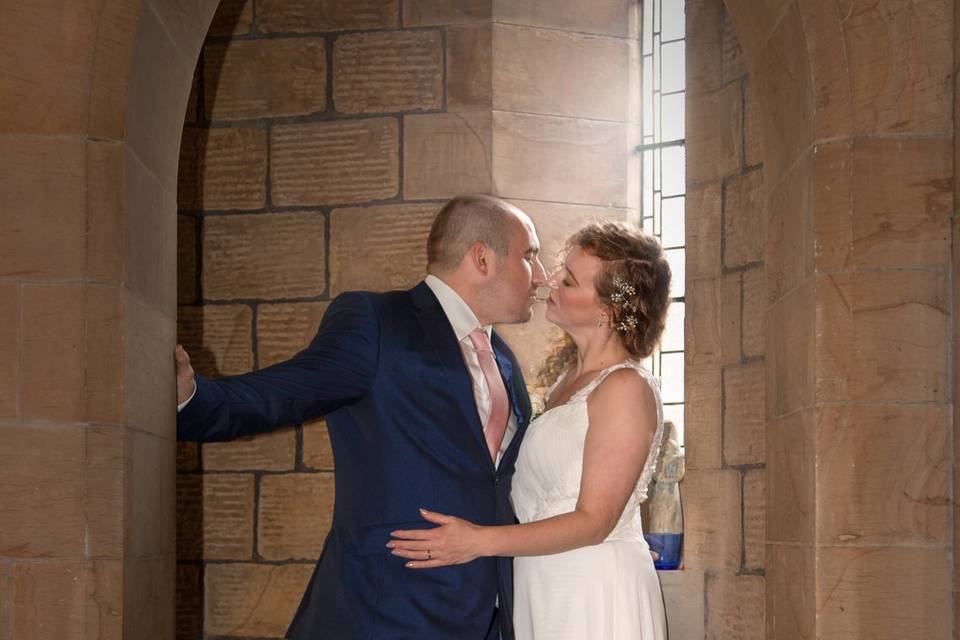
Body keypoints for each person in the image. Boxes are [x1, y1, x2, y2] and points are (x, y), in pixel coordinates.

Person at [175, 194, 547, 640]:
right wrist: (191, 399)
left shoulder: (503, 357)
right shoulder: (378, 322)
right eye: (530, 257)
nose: (542, 277)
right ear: (482, 258)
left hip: (490, 614)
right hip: (389, 607)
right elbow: (286, 392)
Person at [388, 221, 671, 639]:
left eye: (569, 281)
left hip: (591, 588)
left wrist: (476, 542)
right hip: (545, 582)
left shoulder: (625, 387)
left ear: (606, 311)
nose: (549, 280)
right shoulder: (565, 382)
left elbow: (594, 521)